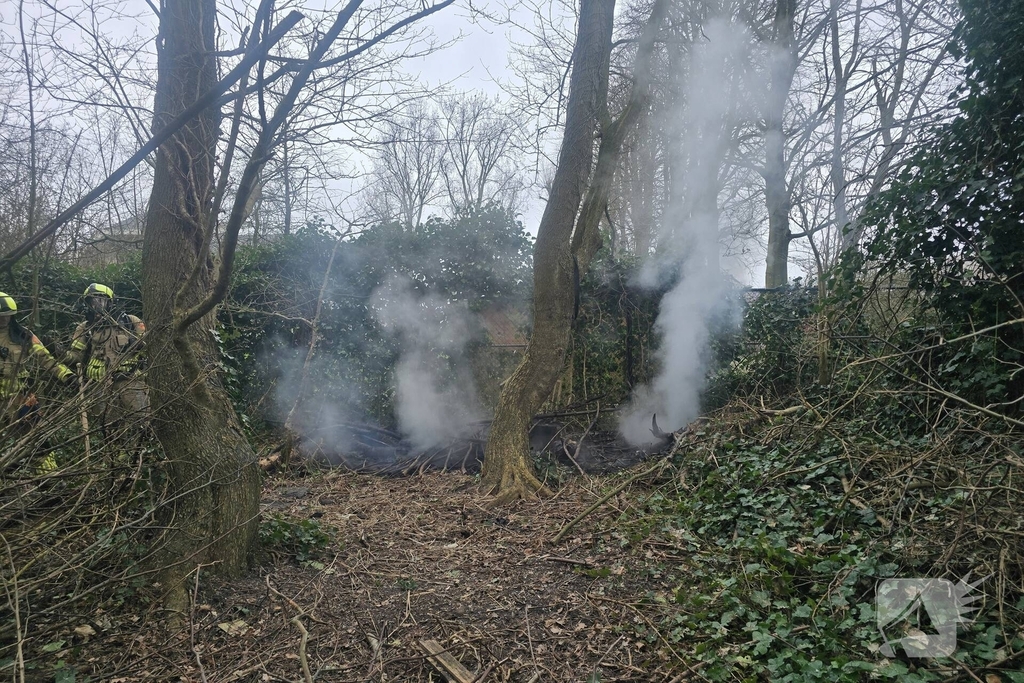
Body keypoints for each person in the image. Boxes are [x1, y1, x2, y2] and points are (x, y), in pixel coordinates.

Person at [1, 292, 75, 471]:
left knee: (37, 440)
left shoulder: (23, 335)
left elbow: (45, 358)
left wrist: (67, 375)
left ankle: (49, 481)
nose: (4, 320)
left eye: (7, 316)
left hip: (22, 398)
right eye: (0, 317)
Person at [66, 284, 148, 439]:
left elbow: (149, 347)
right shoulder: (84, 328)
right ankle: (113, 458)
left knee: (141, 421)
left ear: (111, 302)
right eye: (92, 301)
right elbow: (76, 358)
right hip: (99, 385)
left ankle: (141, 453)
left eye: (101, 301)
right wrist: (60, 353)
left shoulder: (130, 321)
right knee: (108, 427)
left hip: (130, 381)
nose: (97, 305)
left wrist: (135, 343)